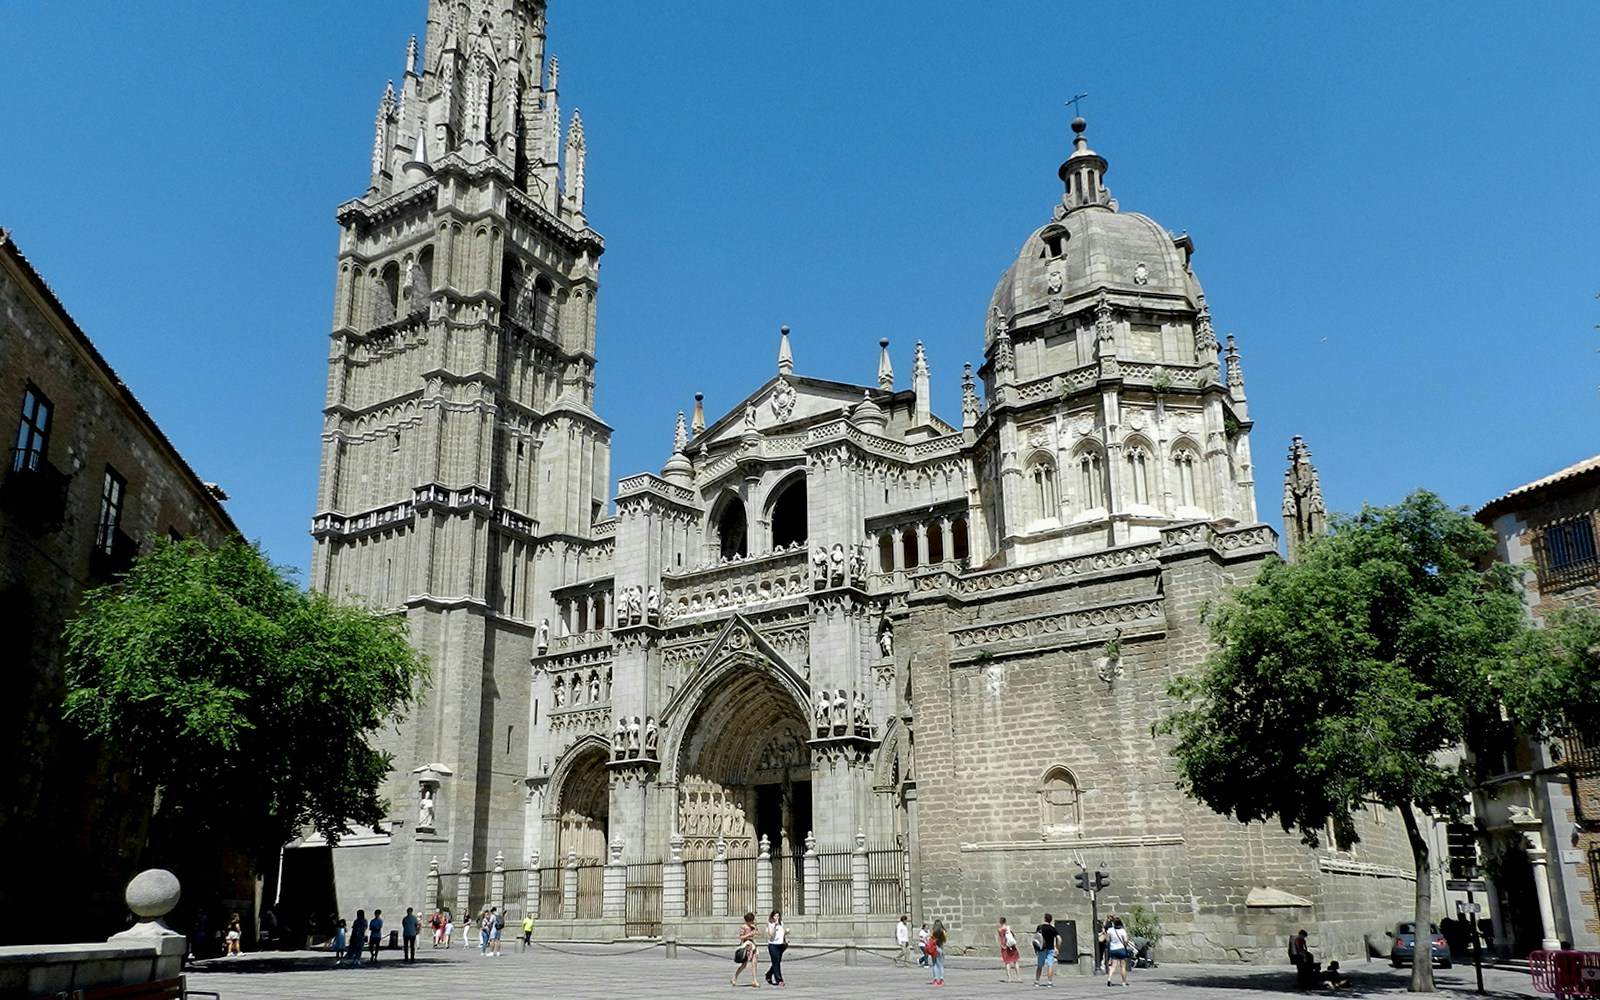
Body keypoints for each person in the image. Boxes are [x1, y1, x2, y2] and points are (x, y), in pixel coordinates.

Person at [731, 912, 761, 987]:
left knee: (754, 964)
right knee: (744, 965)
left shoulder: (752, 927)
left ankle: (754, 980)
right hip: (746, 945)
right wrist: (749, 935)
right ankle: (734, 977)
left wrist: (756, 926)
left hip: (752, 946)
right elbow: (741, 937)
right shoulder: (743, 927)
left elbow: (759, 933)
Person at [1104, 916, 1131, 986]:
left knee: (1113, 966)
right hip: (1121, 949)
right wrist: (1126, 944)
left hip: (1113, 949)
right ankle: (1124, 982)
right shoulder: (1122, 930)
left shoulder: (1110, 930)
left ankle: (1109, 979)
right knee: (1123, 966)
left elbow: (1107, 940)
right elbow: (1126, 941)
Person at [1034, 913, 1059, 986]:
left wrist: (1036, 948)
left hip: (1041, 948)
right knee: (1050, 965)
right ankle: (1049, 982)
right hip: (1050, 948)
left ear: (1044, 919)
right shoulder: (1053, 929)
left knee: (1040, 965)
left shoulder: (1040, 927)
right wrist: (1057, 948)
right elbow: (1059, 939)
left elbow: (1036, 938)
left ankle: (1037, 981)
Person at [765, 910, 787, 986]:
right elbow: (771, 935)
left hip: (780, 945)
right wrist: (774, 925)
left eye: (778, 916)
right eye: (775, 916)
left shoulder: (781, 924)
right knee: (776, 962)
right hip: (773, 945)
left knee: (777, 962)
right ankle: (779, 980)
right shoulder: (770, 924)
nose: (777, 918)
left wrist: (785, 941)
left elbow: (782, 934)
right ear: (772, 916)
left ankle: (768, 974)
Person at [998, 916, 1022, 982]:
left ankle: (1009, 978)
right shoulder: (1008, 927)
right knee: (1015, 961)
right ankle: (1018, 977)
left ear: (1000, 922)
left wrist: (1003, 945)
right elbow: (1013, 935)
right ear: (1005, 921)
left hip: (1004, 946)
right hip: (1011, 945)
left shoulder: (999, 929)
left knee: (1007, 962)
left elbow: (1001, 938)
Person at [928, 918, 948, 986]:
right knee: (941, 965)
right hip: (941, 948)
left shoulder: (933, 932)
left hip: (935, 949)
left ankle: (936, 979)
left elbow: (930, 939)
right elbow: (945, 940)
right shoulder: (944, 931)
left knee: (935, 965)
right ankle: (941, 979)